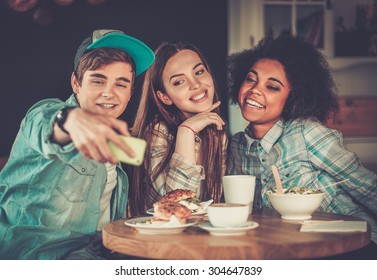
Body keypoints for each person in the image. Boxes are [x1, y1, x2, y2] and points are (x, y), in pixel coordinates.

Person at [0, 29, 154, 259]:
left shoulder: (115, 143)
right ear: (76, 83)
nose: (109, 93)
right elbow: (46, 122)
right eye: (98, 80)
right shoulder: (47, 113)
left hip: (99, 254)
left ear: (131, 91)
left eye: (121, 84)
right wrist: (70, 120)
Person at [226, 33, 377, 255]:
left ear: (293, 98)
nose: (255, 90)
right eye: (251, 79)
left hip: (351, 246)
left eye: (273, 87)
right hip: (291, 252)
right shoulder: (236, 147)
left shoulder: (307, 132)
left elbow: (366, 187)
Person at [128, 41, 227, 216]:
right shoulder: (156, 133)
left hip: (200, 236)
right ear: (165, 97)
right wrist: (186, 132)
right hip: (161, 238)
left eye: (199, 72)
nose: (196, 84)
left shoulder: (217, 134)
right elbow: (176, 208)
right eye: (179, 81)